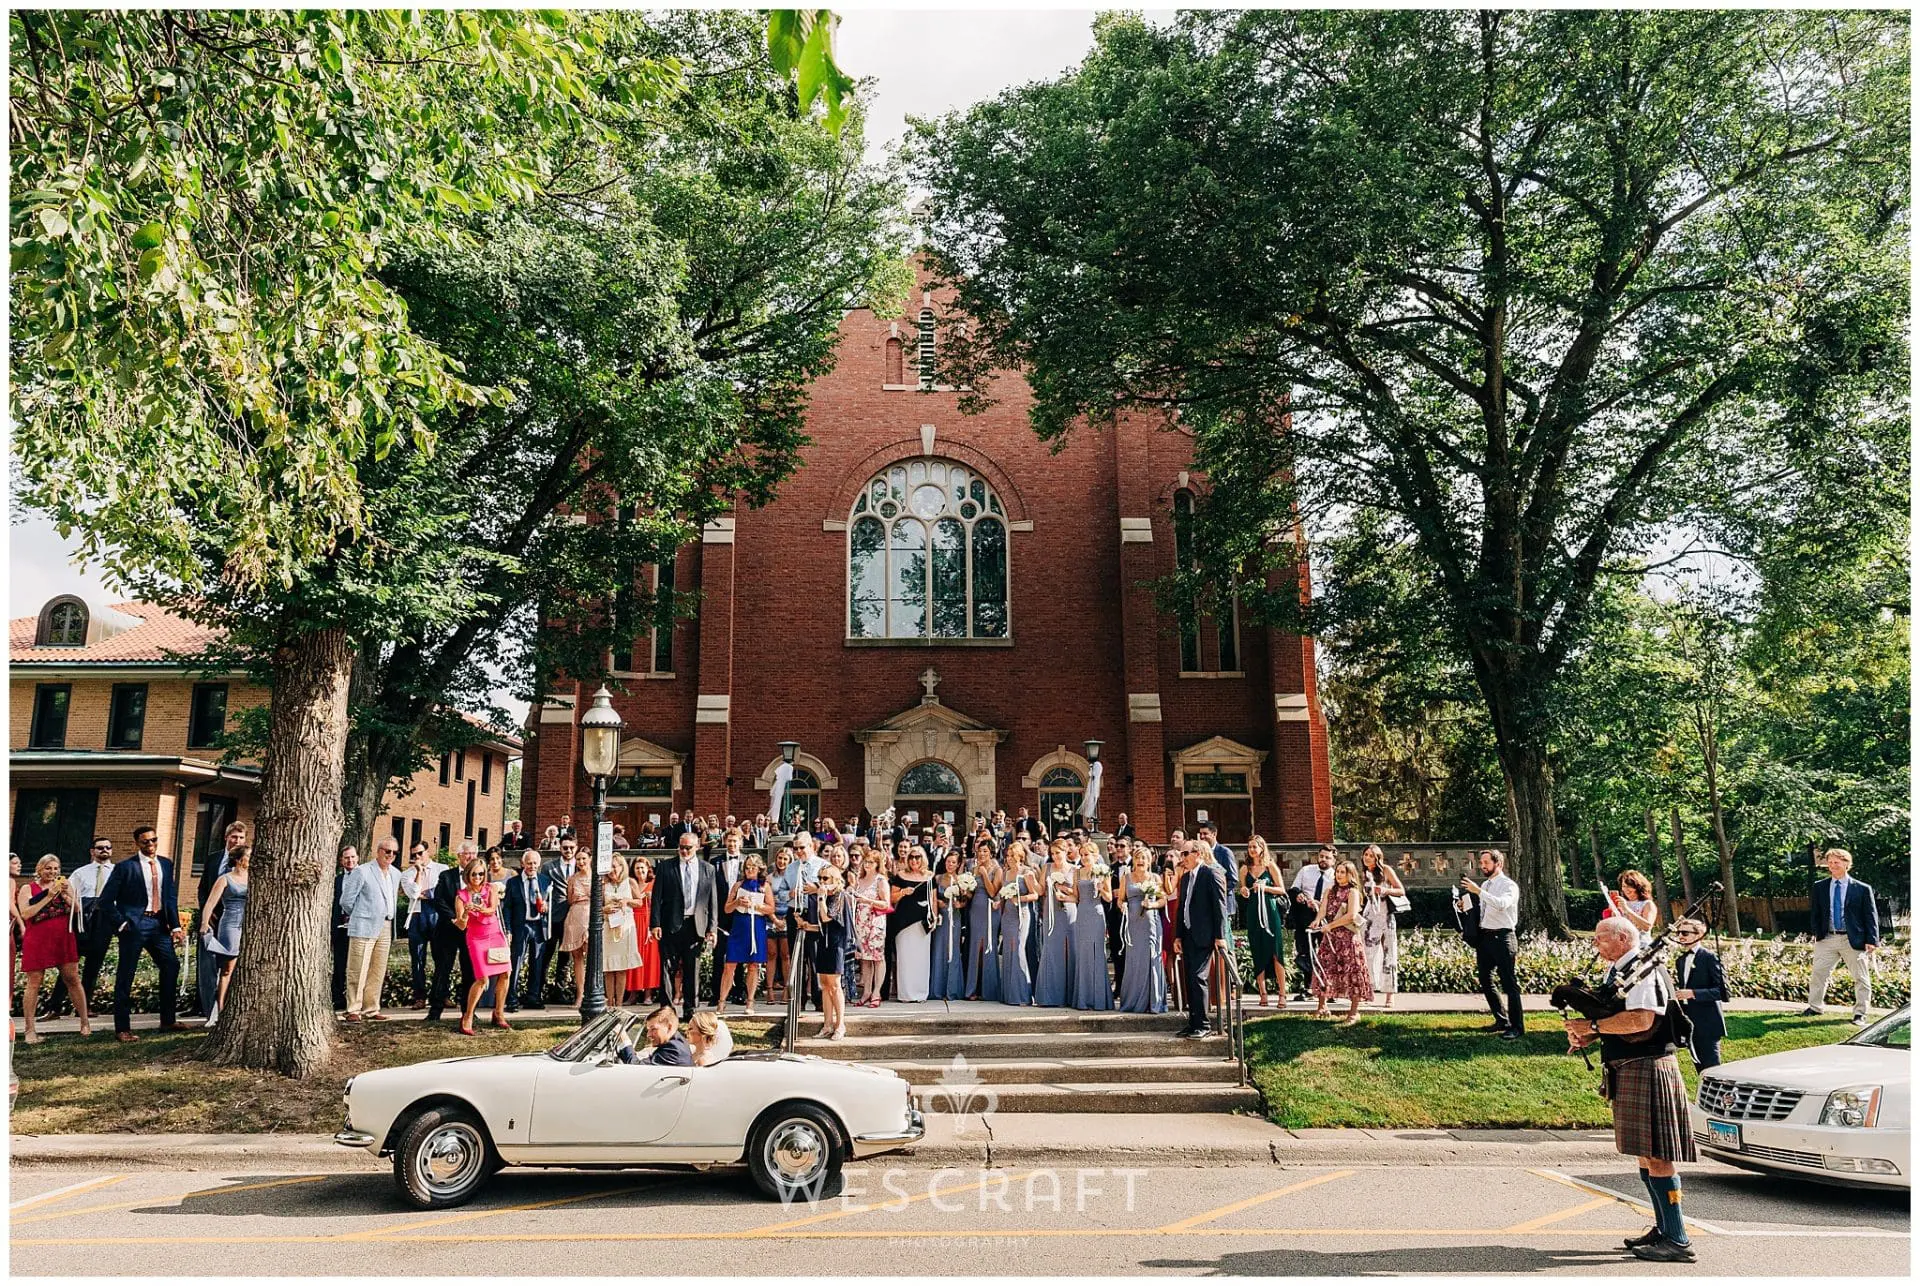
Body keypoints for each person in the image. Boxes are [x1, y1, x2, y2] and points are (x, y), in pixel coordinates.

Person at [1565, 917, 1698, 1264]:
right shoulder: (1624, 970)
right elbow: (1622, 1019)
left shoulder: (1644, 968)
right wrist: (1590, 1035)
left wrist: (1591, 1025)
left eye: (1600, 939)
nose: (1596, 946)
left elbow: (1642, 1020)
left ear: (1623, 938)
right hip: (1630, 1066)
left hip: (1648, 1066)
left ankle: (1678, 1238)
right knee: (1645, 1152)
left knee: (1657, 1155)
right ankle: (1663, 1228)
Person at [101, 825, 185, 1042]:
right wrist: (121, 924)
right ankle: (122, 1028)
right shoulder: (125, 867)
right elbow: (105, 901)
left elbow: (169, 898)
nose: (151, 845)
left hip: (159, 925)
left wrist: (175, 926)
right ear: (137, 843)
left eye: (154, 840)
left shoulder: (165, 864)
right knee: (126, 975)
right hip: (134, 926)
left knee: (171, 965)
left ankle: (167, 1020)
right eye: (145, 841)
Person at [17, 855, 90, 1042]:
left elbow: (77, 910)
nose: (53, 872)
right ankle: (29, 1030)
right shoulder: (28, 888)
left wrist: (65, 895)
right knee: (34, 982)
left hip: (63, 938)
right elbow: (26, 913)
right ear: (39, 869)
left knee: (72, 978)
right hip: (38, 939)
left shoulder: (65, 885)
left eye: (56, 868)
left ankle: (84, 1022)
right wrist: (48, 896)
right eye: (48, 868)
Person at [1803, 847, 1879, 1024]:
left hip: (1852, 940)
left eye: (1836, 862)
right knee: (1818, 974)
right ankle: (1815, 1007)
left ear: (1846, 864)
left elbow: (1870, 915)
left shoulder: (1862, 889)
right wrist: (1816, 932)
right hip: (1827, 938)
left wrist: (1872, 940)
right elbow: (1816, 912)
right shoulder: (1819, 887)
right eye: (1829, 863)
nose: (1832, 866)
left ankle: (1860, 1013)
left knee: (1861, 978)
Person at [651, 831, 719, 1022]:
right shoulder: (666, 867)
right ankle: (666, 1010)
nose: (684, 851)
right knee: (667, 968)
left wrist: (712, 928)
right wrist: (654, 924)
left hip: (695, 925)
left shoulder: (708, 869)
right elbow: (657, 897)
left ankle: (691, 1011)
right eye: (681, 847)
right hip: (670, 924)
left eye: (688, 847)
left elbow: (712, 901)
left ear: (696, 847)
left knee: (692, 970)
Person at [1460, 849, 1524, 1040]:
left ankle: (1517, 1026)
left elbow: (1502, 904)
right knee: (1486, 980)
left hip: (1504, 938)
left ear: (1499, 864)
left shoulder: (1509, 885)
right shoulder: (1486, 884)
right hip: (1485, 938)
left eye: (1486, 862)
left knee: (1509, 983)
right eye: (1481, 863)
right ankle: (1501, 1019)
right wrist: (1465, 907)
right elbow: (1484, 910)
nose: (1482, 866)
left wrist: (1478, 891)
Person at [339, 838, 401, 1022]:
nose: (390, 855)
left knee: (378, 969)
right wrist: (360, 914)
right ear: (378, 850)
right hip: (364, 925)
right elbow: (346, 901)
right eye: (387, 851)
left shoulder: (396, 874)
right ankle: (353, 1009)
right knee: (358, 967)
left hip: (386, 925)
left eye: (394, 852)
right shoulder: (362, 871)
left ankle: (371, 1008)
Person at [193, 821, 249, 1018]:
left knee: (231, 964)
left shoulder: (250, 867)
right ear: (226, 837)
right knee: (209, 965)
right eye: (234, 837)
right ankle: (207, 1007)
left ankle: (228, 1005)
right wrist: (206, 918)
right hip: (217, 918)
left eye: (241, 838)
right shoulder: (213, 859)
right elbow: (203, 890)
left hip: (239, 920)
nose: (237, 840)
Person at [1173, 840, 1227, 1039]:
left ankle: (1204, 1024)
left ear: (1199, 854)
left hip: (1204, 934)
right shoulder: (1187, 877)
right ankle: (1193, 1022)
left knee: (1199, 977)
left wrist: (1219, 936)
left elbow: (1219, 906)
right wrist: (1178, 934)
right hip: (1188, 934)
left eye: (1186, 854)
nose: (1183, 858)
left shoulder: (1211, 873)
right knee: (1190, 978)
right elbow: (1182, 906)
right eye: (1181, 854)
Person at [1309, 861, 1373, 1023]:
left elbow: (1351, 915)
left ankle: (1353, 1012)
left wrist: (1330, 926)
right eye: (1337, 871)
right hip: (1330, 938)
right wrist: (1317, 921)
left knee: (1353, 972)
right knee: (1324, 969)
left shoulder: (1353, 892)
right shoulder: (1329, 890)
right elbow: (1322, 910)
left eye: (1343, 872)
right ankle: (1322, 1007)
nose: (1339, 875)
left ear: (1350, 874)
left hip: (1348, 939)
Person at [454, 858, 511, 1034]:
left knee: (505, 973)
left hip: (494, 933)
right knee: (482, 978)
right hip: (476, 937)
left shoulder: (490, 888)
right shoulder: (461, 896)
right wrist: (464, 914)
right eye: (474, 874)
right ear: (467, 875)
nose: (478, 877)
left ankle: (498, 1013)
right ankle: (468, 1016)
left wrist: (478, 908)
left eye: (481, 873)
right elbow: (462, 925)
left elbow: (492, 909)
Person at [424, 843, 478, 1021]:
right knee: (443, 970)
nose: (469, 857)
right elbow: (439, 901)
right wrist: (455, 918)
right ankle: (435, 1011)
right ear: (459, 856)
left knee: (469, 971)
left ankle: (468, 1011)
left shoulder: (479, 878)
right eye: (466, 854)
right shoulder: (446, 876)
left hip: (470, 932)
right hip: (448, 929)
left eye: (472, 854)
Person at [797, 866, 852, 1039]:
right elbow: (822, 925)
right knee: (825, 985)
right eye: (819, 878)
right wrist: (805, 925)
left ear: (835, 880)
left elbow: (827, 917)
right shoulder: (825, 897)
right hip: (824, 942)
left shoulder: (840, 897)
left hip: (837, 944)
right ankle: (827, 1024)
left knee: (835, 985)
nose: (821, 882)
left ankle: (840, 1024)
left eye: (825, 878)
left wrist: (820, 897)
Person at [65, 837, 119, 1015]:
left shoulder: (118, 871)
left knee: (94, 964)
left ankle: (84, 1006)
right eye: (100, 848)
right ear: (92, 851)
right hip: (83, 918)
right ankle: (55, 1006)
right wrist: (76, 907)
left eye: (108, 848)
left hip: (105, 919)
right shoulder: (80, 873)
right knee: (71, 963)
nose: (104, 850)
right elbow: (66, 892)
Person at [716, 854, 772, 1015]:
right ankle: (722, 1002)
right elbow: (726, 909)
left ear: (759, 868)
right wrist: (737, 902)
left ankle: (750, 1001)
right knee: (730, 965)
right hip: (739, 927)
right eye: (747, 867)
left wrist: (756, 904)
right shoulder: (738, 885)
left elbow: (771, 909)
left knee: (753, 966)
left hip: (756, 927)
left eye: (753, 867)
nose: (749, 870)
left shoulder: (764, 886)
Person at [1670, 918, 1727, 1069]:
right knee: (1699, 1068)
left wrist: (1693, 993)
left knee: (1712, 1069)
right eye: (1678, 932)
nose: (1680, 936)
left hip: (1708, 1022)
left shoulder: (1709, 957)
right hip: (1690, 1023)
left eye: (1685, 932)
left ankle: (1720, 1094)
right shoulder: (1681, 960)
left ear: (1698, 934)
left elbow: (1722, 991)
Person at [1117, 844, 1167, 1014]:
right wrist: (1122, 904)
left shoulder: (1155, 878)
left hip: (1151, 923)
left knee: (1151, 958)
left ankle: (1153, 1001)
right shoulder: (1127, 877)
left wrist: (1152, 904)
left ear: (1150, 860)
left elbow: (1163, 900)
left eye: (1144, 858)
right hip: (1133, 925)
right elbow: (1121, 899)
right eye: (1137, 857)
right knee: (1134, 960)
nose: (1140, 861)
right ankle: (1133, 1001)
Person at [1238, 837, 1286, 1007]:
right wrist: (1244, 890)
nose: (1252, 849)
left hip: (1270, 911)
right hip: (1253, 912)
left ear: (1261, 848)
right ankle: (1263, 993)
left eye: (1255, 846)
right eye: (1249, 846)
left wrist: (1265, 888)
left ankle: (1282, 993)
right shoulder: (1245, 869)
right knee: (1257, 950)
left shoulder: (1270, 866)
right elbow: (1243, 890)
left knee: (1275, 950)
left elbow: (1281, 889)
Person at [502, 850, 550, 1013]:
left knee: (537, 963)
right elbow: (506, 907)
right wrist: (508, 929)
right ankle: (512, 999)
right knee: (516, 962)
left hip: (538, 927)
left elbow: (550, 903)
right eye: (529, 863)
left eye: (535, 863)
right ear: (523, 864)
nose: (532, 866)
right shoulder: (513, 883)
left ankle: (533, 997)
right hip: (520, 926)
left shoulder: (544, 881)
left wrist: (546, 907)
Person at [399, 841, 445, 1007]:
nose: (417, 857)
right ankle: (420, 996)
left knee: (440, 957)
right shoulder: (407, 874)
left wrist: (430, 893)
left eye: (420, 853)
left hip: (436, 915)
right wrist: (418, 872)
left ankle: (441, 994)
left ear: (428, 851)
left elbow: (443, 892)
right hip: (417, 916)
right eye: (414, 855)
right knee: (417, 958)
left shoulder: (442, 869)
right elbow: (413, 892)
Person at [1033, 841, 1077, 1007]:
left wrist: (1064, 889)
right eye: (1052, 853)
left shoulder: (1075, 869)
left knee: (1069, 950)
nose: (1055, 857)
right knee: (1051, 950)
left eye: (1058, 853)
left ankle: (1070, 994)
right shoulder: (1048, 867)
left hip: (1069, 912)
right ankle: (1050, 995)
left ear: (1066, 851)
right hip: (1050, 912)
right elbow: (1040, 891)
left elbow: (1078, 894)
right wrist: (1032, 878)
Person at [1360, 845, 1404, 1007]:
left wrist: (1385, 890)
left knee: (1389, 954)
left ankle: (1389, 994)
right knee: (1368, 955)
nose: (1367, 858)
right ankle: (1368, 990)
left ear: (1377, 857)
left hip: (1386, 916)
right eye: (1366, 855)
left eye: (1371, 855)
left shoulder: (1386, 870)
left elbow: (1401, 890)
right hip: (1369, 917)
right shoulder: (1363, 874)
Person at [890, 847, 936, 1003]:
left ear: (923, 858)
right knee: (905, 958)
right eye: (911, 857)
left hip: (923, 923)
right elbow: (892, 898)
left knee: (922, 958)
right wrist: (903, 892)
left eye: (918, 857)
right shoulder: (900, 876)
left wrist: (934, 917)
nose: (914, 860)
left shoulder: (930, 877)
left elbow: (933, 899)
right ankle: (906, 994)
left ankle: (921, 993)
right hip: (904, 923)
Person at [1069, 848, 1113, 1010]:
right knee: (1083, 953)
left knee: (1097, 953)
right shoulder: (1077, 872)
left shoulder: (1103, 871)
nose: (1084, 857)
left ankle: (1099, 998)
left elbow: (1109, 898)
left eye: (1087, 854)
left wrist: (1101, 888)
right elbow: (1075, 896)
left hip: (1096, 913)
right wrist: (1061, 894)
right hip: (1081, 913)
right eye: (1082, 854)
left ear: (1095, 855)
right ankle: (1083, 998)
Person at [1288, 847, 1333, 1000]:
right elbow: (1293, 889)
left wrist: (1321, 904)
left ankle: (1327, 988)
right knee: (1305, 952)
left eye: (1327, 857)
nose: (1323, 860)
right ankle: (1309, 987)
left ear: (1333, 860)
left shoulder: (1335, 875)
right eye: (1321, 856)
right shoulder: (1306, 870)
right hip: (1304, 917)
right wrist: (1299, 896)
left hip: (1325, 918)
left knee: (1325, 952)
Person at [553, 848, 595, 1008]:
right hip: (575, 916)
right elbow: (570, 900)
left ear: (590, 859)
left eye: (584, 858)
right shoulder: (572, 879)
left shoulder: (597, 878)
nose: (581, 862)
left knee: (592, 955)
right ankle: (580, 994)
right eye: (578, 859)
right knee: (577, 957)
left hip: (590, 917)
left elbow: (602, 899)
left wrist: (588, 897)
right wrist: (576, 898)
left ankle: (594, 993)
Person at [599, 855, 643, 1008]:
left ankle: (619, 1003)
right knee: (609, 968)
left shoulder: (630, 882)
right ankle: (610, 1002)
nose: (612, 870)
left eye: (615, 866)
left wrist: (626, 901)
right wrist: (605, 909)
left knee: (622, 967)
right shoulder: (604, 884)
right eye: (609, 867)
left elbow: (639, 902)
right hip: (608, 926)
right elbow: (595, 907)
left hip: (625, 926)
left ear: (622, 866)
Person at [996, 842, 1036, 1006]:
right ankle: (1008, 994)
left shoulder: (1027, 872)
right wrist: (999, 903)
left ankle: (1022, 994)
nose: (1010, 858)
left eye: (1013, 855)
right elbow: (1002, 896)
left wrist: (1019, 899)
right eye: (1008, 855)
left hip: (1022, 915)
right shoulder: (1006, 873)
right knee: (1009, 950)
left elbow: (1034, 895)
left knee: (1019, 949)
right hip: (1008, 916)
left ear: (1020, 856)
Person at [850, 848, 890, 1007]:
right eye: (865, 861)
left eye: (870, 862)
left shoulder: (880, 880)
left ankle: (876, 992)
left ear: (877, 864)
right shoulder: (859, 880)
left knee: (877, 958)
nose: (867, 864)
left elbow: (886, 903)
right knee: (865, 958)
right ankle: (866, 990)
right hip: (861, 922)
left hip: (875, 922)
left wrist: (867, 900)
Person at [928, 849, 967, 1001]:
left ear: (958, 865)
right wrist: (937, 903)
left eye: (953, 862)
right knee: (938, 950)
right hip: (941, 918)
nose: (950, 864)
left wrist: (960, 904)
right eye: (948, 861)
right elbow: (932, 895)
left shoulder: (961, 880)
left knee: (953, 949)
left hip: (954, 918)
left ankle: (952, 988)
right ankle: (937, 989)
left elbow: (966, 900)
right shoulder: (937, 878)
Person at [965, 841, 1002, 1002]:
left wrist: (984, 874)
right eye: (980, 851)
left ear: (991, 852)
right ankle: (973, 988)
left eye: (985, 851)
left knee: (987, 946)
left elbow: (993, 891)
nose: (982, 854)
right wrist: (964, 890)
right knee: (975, 947)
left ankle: (989, 990)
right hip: (975, 909)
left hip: (990, 911)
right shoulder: (973, 869)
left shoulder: (997, 870)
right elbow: (971, 894)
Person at [625, 855, 663, 1005]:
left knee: (649, 958)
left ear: (648, 869)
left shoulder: (654, 884)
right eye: (637, 868)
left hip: (648, 922)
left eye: (642, 868)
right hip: (633, 922)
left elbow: (661, 902)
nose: (640, 870)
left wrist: (652, 897)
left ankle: (648, 993)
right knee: (633, 956)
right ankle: (633, 993)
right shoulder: (630, 884)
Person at [329, 845, 359, 1012]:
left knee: (355, 964)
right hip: (340, 926)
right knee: (339, 963)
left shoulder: (363, 877)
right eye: (347, 858)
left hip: (357, 925)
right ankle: (338, 997)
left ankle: (354, 999)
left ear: (358, 858)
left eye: (353, 857)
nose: (350, 860)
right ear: (341, 861)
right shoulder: (337, 880)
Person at [616, 1005, 694, 1065]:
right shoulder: (676, 1041)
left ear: (669, 1027)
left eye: (653, 1029)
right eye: (648, 1030)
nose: (648, 1035)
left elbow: (635, 1067)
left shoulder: (674, 1050)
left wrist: (624, 1038)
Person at [1607, 870, 1659, 942]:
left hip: (1641, 946)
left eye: (1630, 886)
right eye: (1624, 886)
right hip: (1623, 946)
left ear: (1638, 886)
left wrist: (1627, 909)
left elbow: (1647, 927)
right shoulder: (1621, 903)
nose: (1626, 890)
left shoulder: (1647, 904)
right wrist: (1613, 911)